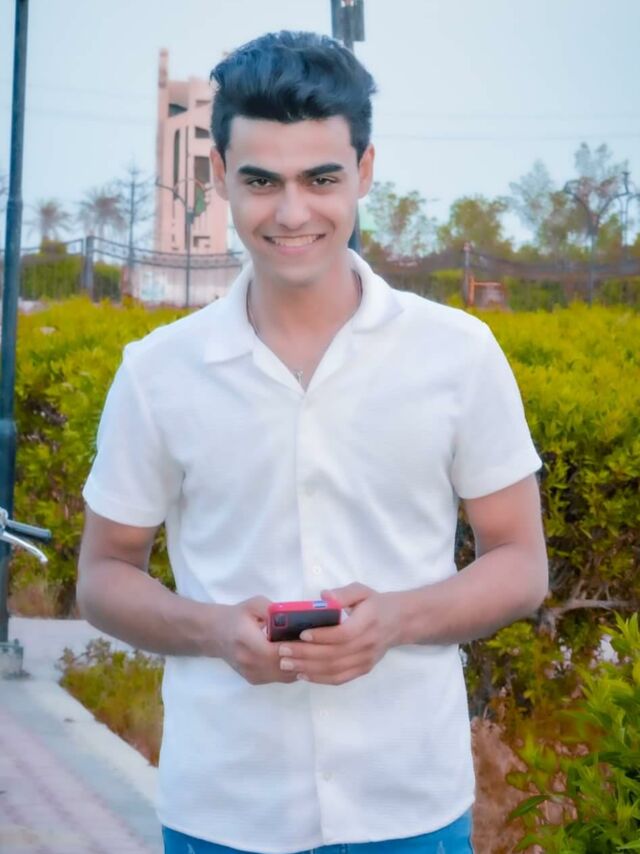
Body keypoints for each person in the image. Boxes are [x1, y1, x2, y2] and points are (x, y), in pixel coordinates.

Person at [78, 30, 548, 854]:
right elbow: (103, 576)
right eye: (261, 181)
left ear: (364, 170)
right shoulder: (156, 373)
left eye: (321, 179)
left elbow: (520, 562)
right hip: (222, 808)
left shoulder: (459, 354)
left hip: (410, 805)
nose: (292, 213)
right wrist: (214, 631)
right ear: (220, 175)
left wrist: (396, 619)